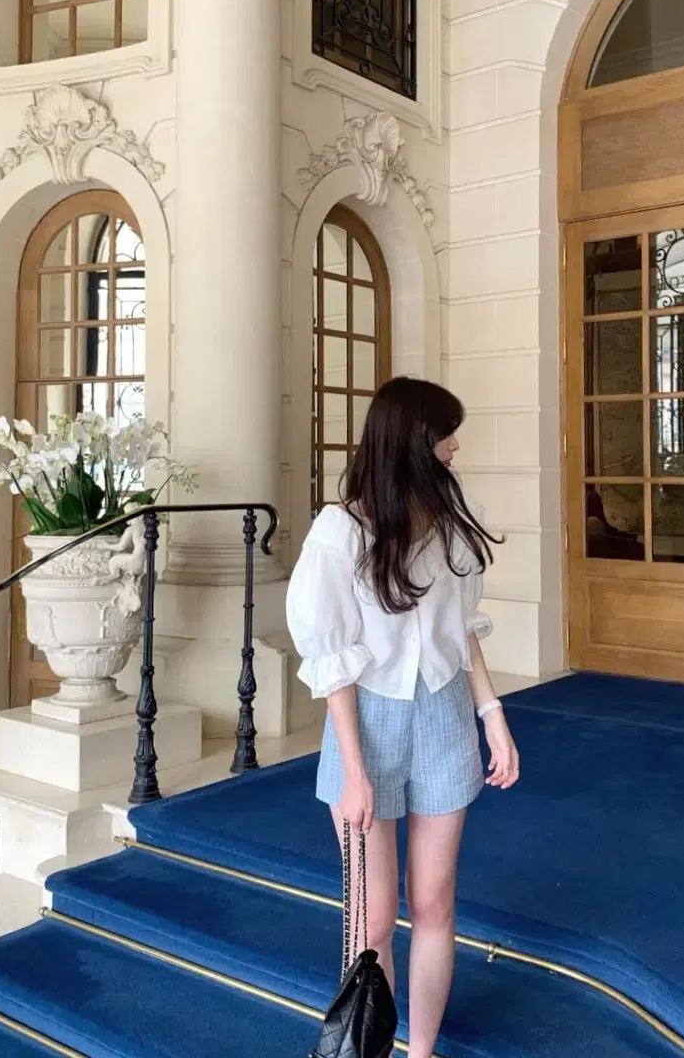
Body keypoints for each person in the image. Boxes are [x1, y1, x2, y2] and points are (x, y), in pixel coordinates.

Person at [286, 376, 520, 1058]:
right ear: (413, 440)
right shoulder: (341, 531)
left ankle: (421, 1052)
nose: (455, 446)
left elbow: (461, 631)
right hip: (366, 723)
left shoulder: (449, 523)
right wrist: (354, 772)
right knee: (372, 921)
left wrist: (492, 715)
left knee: (436, 901)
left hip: (444, 715)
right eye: (446, 434)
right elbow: (331, 661)